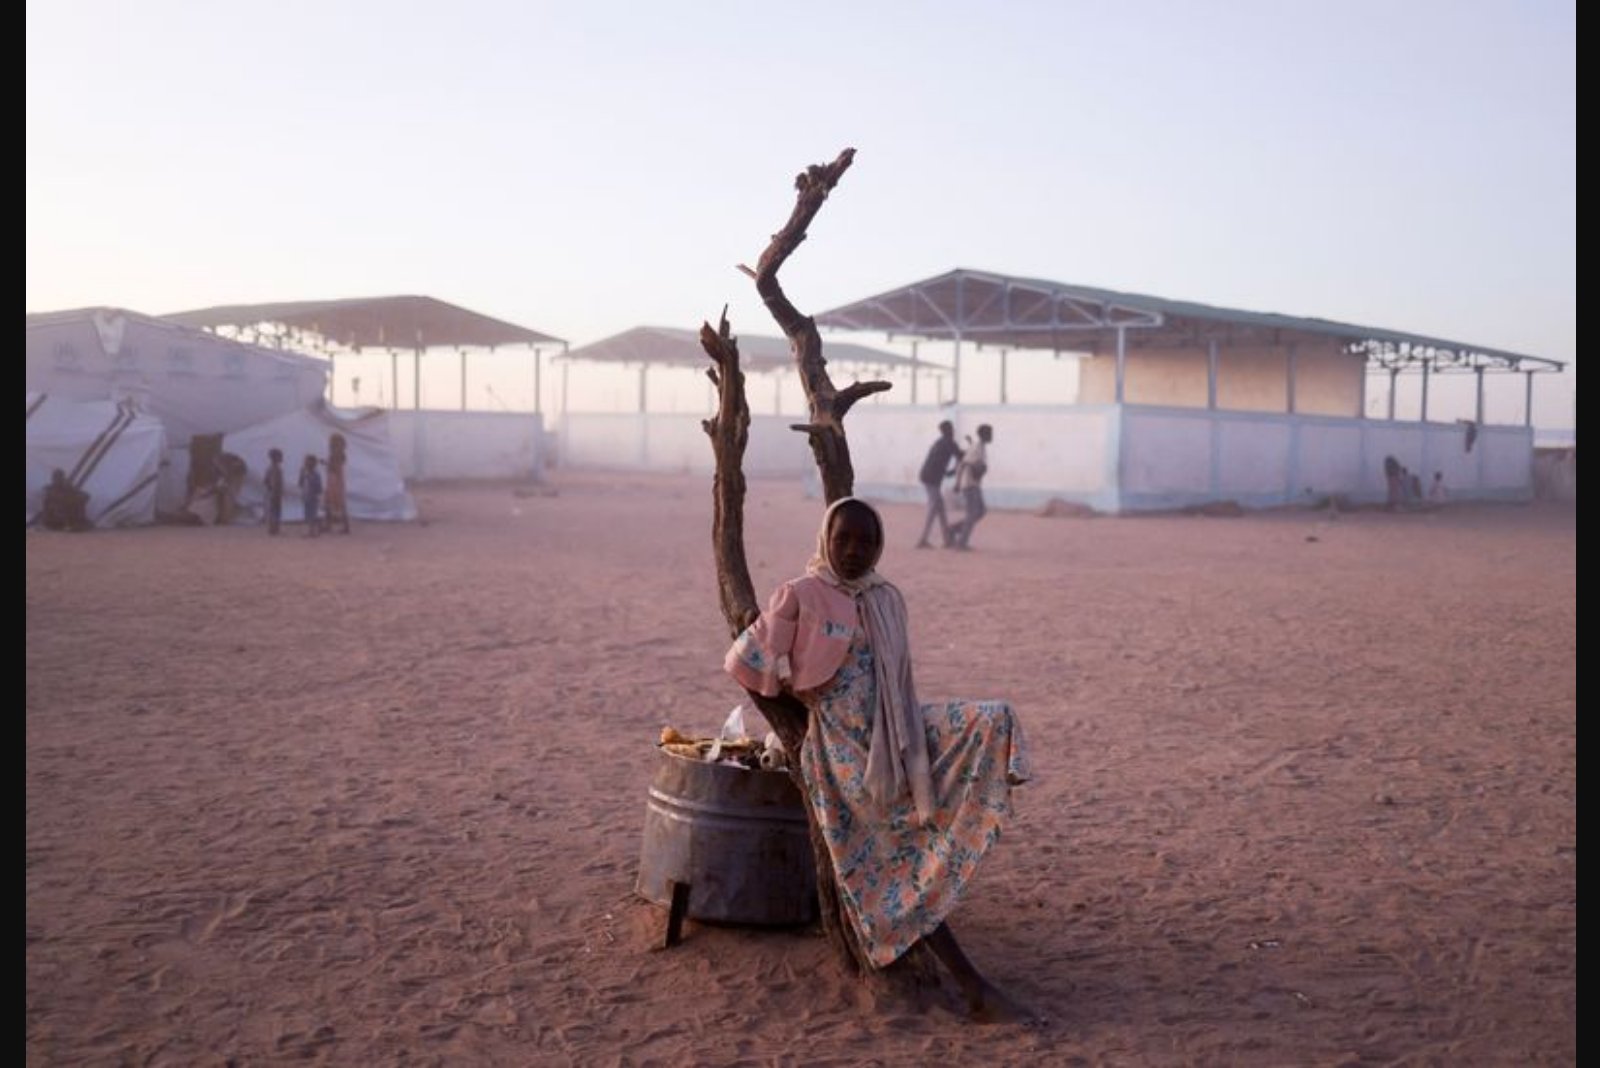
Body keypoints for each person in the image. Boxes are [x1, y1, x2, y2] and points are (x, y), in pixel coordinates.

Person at [725, 497, 1031, 1021]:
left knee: (992, 719)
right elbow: (744, 661)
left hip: (897, 732)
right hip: (842, 751)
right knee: (899, 857)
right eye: (843, 539)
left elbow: (900, 681)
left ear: (879, 546)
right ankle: (972, 986)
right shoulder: (800, 595)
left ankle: (967, 976)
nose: (853, 550)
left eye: (865, 542)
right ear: (827, 538)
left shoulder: (886, 597)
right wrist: (795, 708)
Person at [914, 420, 964, 549]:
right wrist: (952, 471)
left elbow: (941, 460)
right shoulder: (949, 443)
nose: (953, 431)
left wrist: (950, 472)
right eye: (951, 429)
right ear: (949, 430)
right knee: (934, 508)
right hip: (932, 479)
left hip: (928, 476)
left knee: (940, 509)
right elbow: (960, 456)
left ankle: (947, 539)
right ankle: (923, 539)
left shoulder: (940, 442)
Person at [946, 424, 993, 550]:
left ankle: (953, 529)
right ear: (984, 434)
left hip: (975, 484)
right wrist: (957, 483)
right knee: (972, 514)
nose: (992, 436)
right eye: (990, 433)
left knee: (981, 511)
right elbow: (963, 464)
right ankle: (961, 543)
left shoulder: (981, 447)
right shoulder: (976, 447)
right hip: (969, 484)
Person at [324, 432, 351, 535]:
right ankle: (340, 526)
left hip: (334, 480)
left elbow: (334, 469)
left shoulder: (335, 455)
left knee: (333, 503)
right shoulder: (340, 455)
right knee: (335, 504)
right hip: (336, 480)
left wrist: (328, 466)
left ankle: (332, 525)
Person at [297, 454, 323, 537]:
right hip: (306, 496)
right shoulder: (304, 473)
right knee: (307, 513)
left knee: (313, 513)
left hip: (313, 496)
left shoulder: (316, 475)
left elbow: (319, 487)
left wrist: (319, 495)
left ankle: (313, 531)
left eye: (310, 463)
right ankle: (309, 531)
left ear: (314, 465)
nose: (308, 465)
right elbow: (300, 483)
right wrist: (302, 475)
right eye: (306, 463)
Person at [263, 448, 286, 536]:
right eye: (279, 456)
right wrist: (273, 490)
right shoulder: (274, 469)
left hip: (274, 493)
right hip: (274, 493)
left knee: (274, 511)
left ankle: (274, 528)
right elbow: (268, 481)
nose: (281, 458)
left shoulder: (271, 469)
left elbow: (265, 481)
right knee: (274, 511)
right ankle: (273, 529)